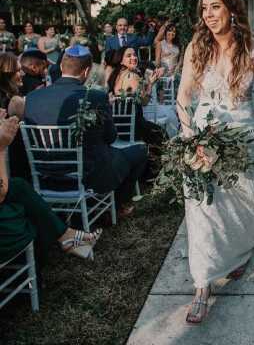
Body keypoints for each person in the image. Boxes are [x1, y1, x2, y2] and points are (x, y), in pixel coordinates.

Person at [176, 0, 254, 324]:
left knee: (235, 201)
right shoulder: (197, 45)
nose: (208, 15)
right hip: (202, 135)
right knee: (202, 206)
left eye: (215, 7)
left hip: (242, 134)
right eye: (204, 8)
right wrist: (191, 135)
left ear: (232, 10)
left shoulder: (251, 45)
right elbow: (183, 96)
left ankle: (237, 250)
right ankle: (202, 285)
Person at [24, 46, 148, 216]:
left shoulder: (32, 98)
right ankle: (120, 204)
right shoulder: (96, 97)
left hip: (46, 174)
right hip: (88, 175)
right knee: (140, 150)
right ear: (87, 71)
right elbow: (111, 137)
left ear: (61, 67)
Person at [0, 110, 102, 264]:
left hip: (45, 175)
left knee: (19, 186)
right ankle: (63, 239)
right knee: (30, 220)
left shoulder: (33, 99)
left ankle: (66, 236)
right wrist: (1, 147)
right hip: (65, 174)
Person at [107, 47, 166, 149]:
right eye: (129, 56)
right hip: (134, 127)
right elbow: (144, 102)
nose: (134, 57)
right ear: (121, 60)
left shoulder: (115, 75)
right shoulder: (133, 76)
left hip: (117, 128)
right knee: (162, 134)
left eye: (134, 55)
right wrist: (151, 84)